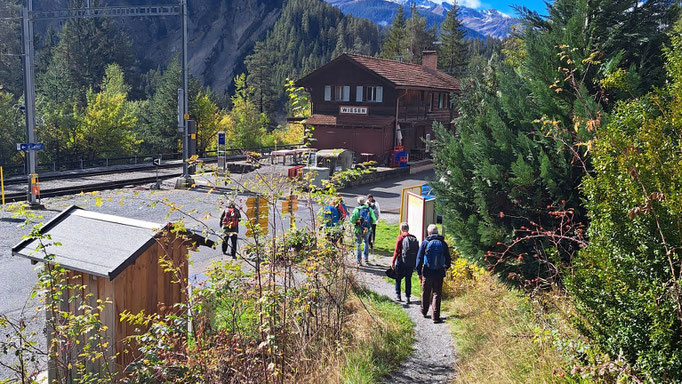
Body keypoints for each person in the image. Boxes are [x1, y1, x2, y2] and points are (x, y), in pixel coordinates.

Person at [416, 224, 451, 323]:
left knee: (426, 292)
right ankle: (435, 316)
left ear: (429, 232)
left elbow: (419, 258)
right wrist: (445, 268)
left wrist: (419, 272)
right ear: (437, 232)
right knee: (437, 293)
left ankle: (424, 311)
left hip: (427, 272)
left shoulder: (425, 243)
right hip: (439, 272)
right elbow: (448, 259)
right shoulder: (443, 243)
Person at [391, 222, 419, 303]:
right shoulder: (413, 238)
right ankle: (408, 297)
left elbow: (396, 251)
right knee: (408, 279)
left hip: (401, 261)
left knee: (398, 278)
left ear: (402, 229)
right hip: (410, 262)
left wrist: (393, 262)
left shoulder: (400, 237)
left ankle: (398, 295)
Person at [350, 196, 376, 266]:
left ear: (358, 202)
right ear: (364, 202)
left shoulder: (356, 210)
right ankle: (366, 257)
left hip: (358, 229)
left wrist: (355, 223)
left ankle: (359, 260)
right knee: (366, 242)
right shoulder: (369, 209)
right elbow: (374, 219)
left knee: (358, 243)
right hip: (367, 229)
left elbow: (352, 220)